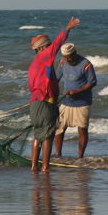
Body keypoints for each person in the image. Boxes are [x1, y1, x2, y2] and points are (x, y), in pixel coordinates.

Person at [27, 17, 81, 172]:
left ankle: (33, 167)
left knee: (38, 135)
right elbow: (58, 43)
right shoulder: (45, 56)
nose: (51, 48)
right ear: (42, 47)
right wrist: (67, 28)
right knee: (49, 136)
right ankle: (45, 167)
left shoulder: (33, 65)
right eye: (48, 46)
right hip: (46, 104)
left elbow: (32, 85)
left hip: (35, 104)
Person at [53, 41, 96, 158]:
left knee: (82, 129)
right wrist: (53, 95)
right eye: (65, 58)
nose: (68, 60)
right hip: (66, 102)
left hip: (82, 103)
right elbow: (56, 79)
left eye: (69, 58)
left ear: (75, 54)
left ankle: (80, 157)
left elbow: (92, 82)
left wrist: (77, 92)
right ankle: (58, 154)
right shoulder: (62, 62)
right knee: (60, 129)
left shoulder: (86, 64)